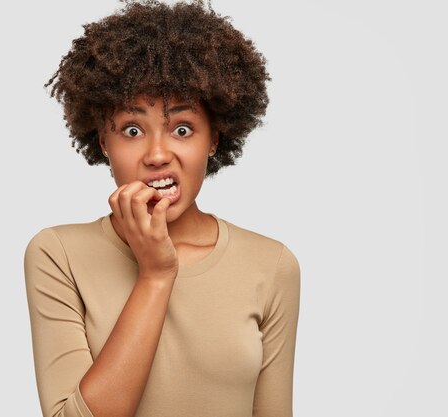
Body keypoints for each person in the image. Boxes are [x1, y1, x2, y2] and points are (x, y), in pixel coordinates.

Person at [23, 1, 301, 416]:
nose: (157, 154)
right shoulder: (57, 254)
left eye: (182, 129)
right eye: (132, 130)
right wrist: (155, 275)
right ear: (103, 141)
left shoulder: (271, 264)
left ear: (213, 139)